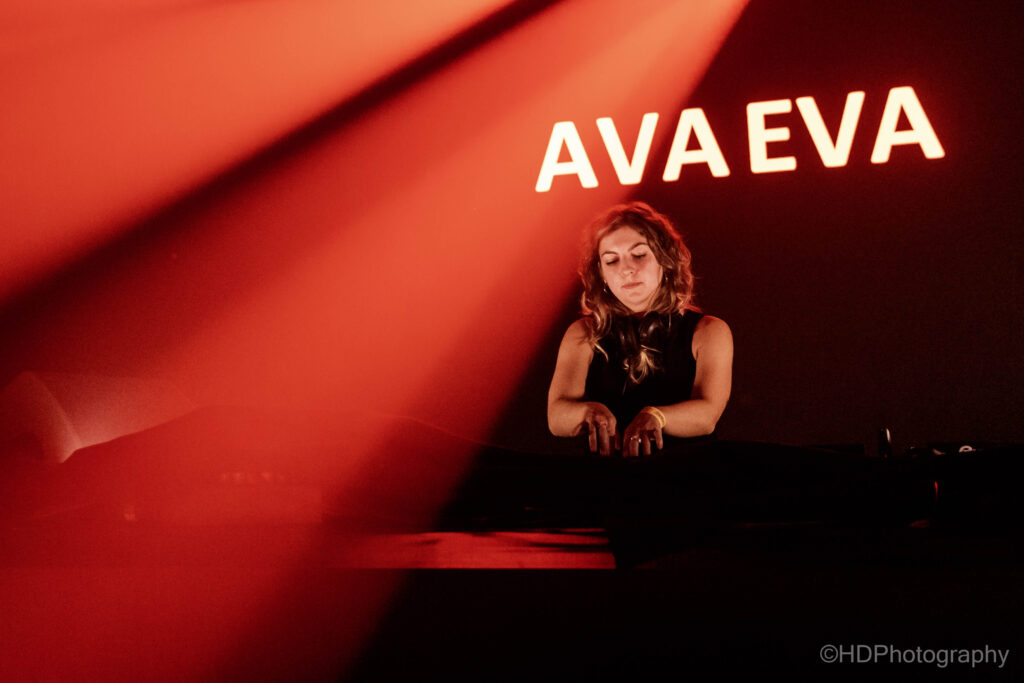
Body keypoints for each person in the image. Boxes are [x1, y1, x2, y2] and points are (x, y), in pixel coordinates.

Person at [547, 202, 733, 457]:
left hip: (686, 474)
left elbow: (707, 415)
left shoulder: (709, 331)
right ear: (601, 274)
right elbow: (556, 417)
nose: (626, 269)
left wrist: (657, 416)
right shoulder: (584, 333)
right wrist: (587, 411)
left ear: (665, 260)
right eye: (611, 260)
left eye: (639, 255)